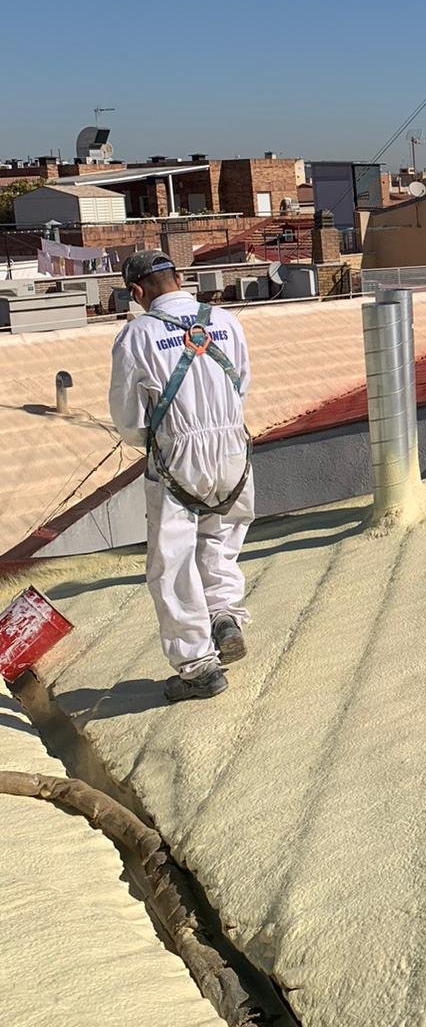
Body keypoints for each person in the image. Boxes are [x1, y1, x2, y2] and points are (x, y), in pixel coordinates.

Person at [108, 250, 254, 702]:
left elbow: (128, 418)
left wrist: (153, 440)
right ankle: (224, 617)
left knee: (171, 562)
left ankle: (197, 669)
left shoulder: (137, 334)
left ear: (137, 291)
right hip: (234, 449)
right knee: (219, 537)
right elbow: (241, 382)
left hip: (178, 454)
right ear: (178, 278)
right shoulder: (225, 321)